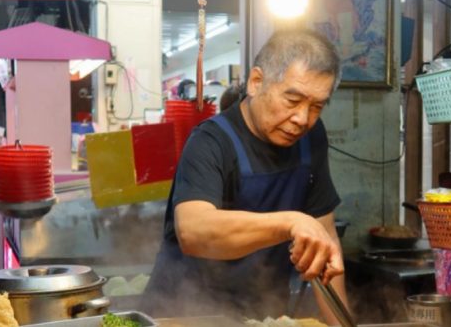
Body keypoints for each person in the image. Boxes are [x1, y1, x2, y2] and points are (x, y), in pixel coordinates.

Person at [144, 29, 347, 323]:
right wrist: (291, 221)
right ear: (256, 82)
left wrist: (342, 323)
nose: (303, 118)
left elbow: (325, 236)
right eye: (292, 101)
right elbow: (193, 230)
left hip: (257, 314)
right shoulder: (210, 141)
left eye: (316, 106)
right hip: (182, 314)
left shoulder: (311, 137)